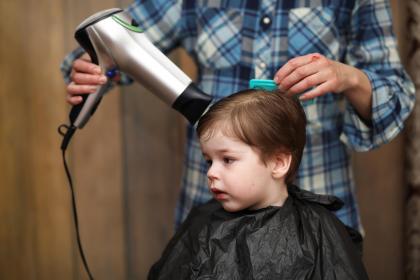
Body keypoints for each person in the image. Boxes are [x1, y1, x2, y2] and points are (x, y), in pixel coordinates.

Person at [61, 0, 415, 235]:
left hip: (317, 204)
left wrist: (347, 77)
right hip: (212, 207)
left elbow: (395, 97)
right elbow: (100, 51)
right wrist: (92, 70)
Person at [147, 89, 369, 279]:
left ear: (278, 162)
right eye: (209, 161)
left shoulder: (319, 230)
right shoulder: (201, 223)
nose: (211, 172)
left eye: (228, 160)